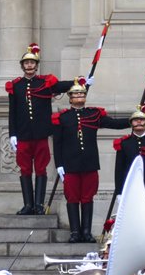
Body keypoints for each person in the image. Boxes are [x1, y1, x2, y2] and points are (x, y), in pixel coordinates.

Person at [51, 77, 129, 243]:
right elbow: (57, 144)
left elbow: (114, 124)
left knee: (87, 197)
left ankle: (86, 231)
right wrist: (59, 165)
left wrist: (133, 120)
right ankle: (74, 232)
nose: (79, 97)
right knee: (72, 198)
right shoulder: (62, 118)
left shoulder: (93, 114)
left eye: (82, 94)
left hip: (89, 163)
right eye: (76, 94)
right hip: (70, 165)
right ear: (70, 98)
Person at [4, 43, 76, 215]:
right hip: (23, 134)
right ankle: (28, 204)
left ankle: (38, 204)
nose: (29, 65)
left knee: (41, 168)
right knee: (25, 169)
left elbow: (61, 86)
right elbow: (12, 112)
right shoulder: (16, 85)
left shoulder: (45, 82)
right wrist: (13, 134)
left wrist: (80, 82)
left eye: (32, 63)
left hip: (41, 133)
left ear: (36, 66)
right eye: (26, 63)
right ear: (22, 66)